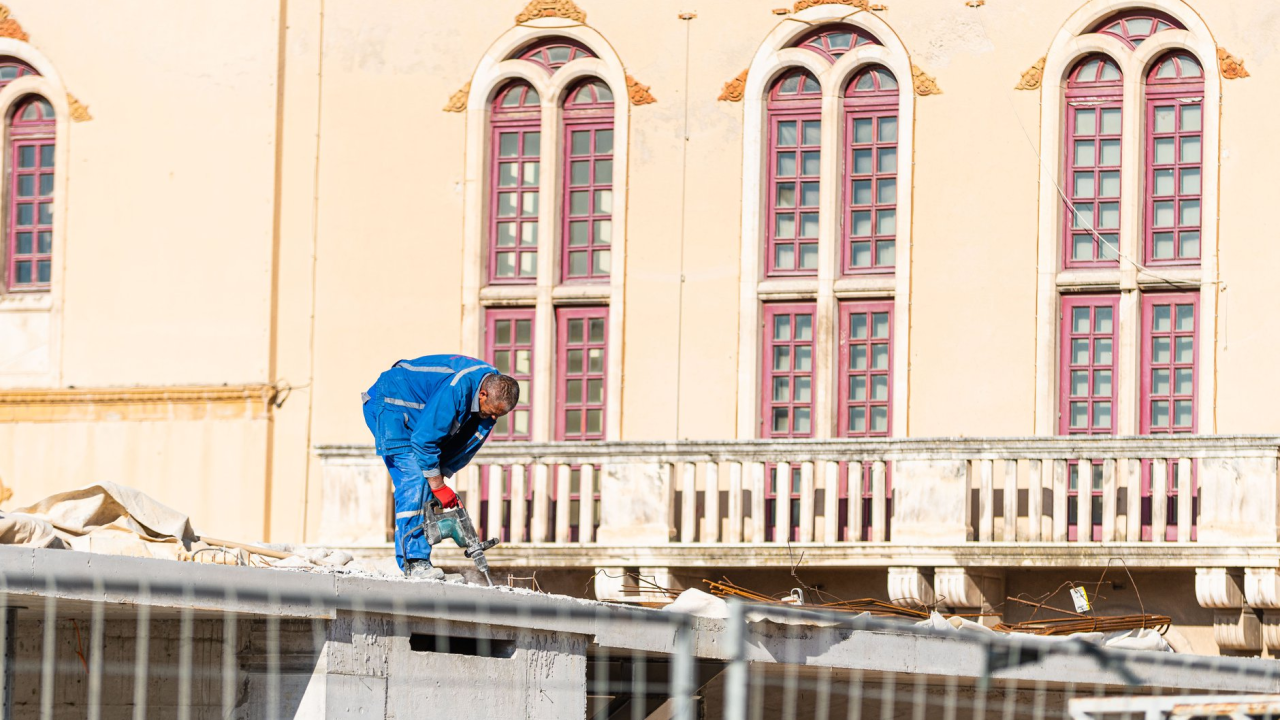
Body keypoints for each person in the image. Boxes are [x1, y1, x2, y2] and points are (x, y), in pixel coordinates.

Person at [362, 354, 519, 579]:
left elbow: (466, 445)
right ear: (483, 394)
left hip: (420, 418)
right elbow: (424, 440)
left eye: (500, 414)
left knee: (427, 481)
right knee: (416, 479)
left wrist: (440, 478)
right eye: (493, 410)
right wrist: (436, 485)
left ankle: (419, 558)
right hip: (391, 404)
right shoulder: (457, 389)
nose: (494, 416)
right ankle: (414, 563)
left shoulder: (490, 395)